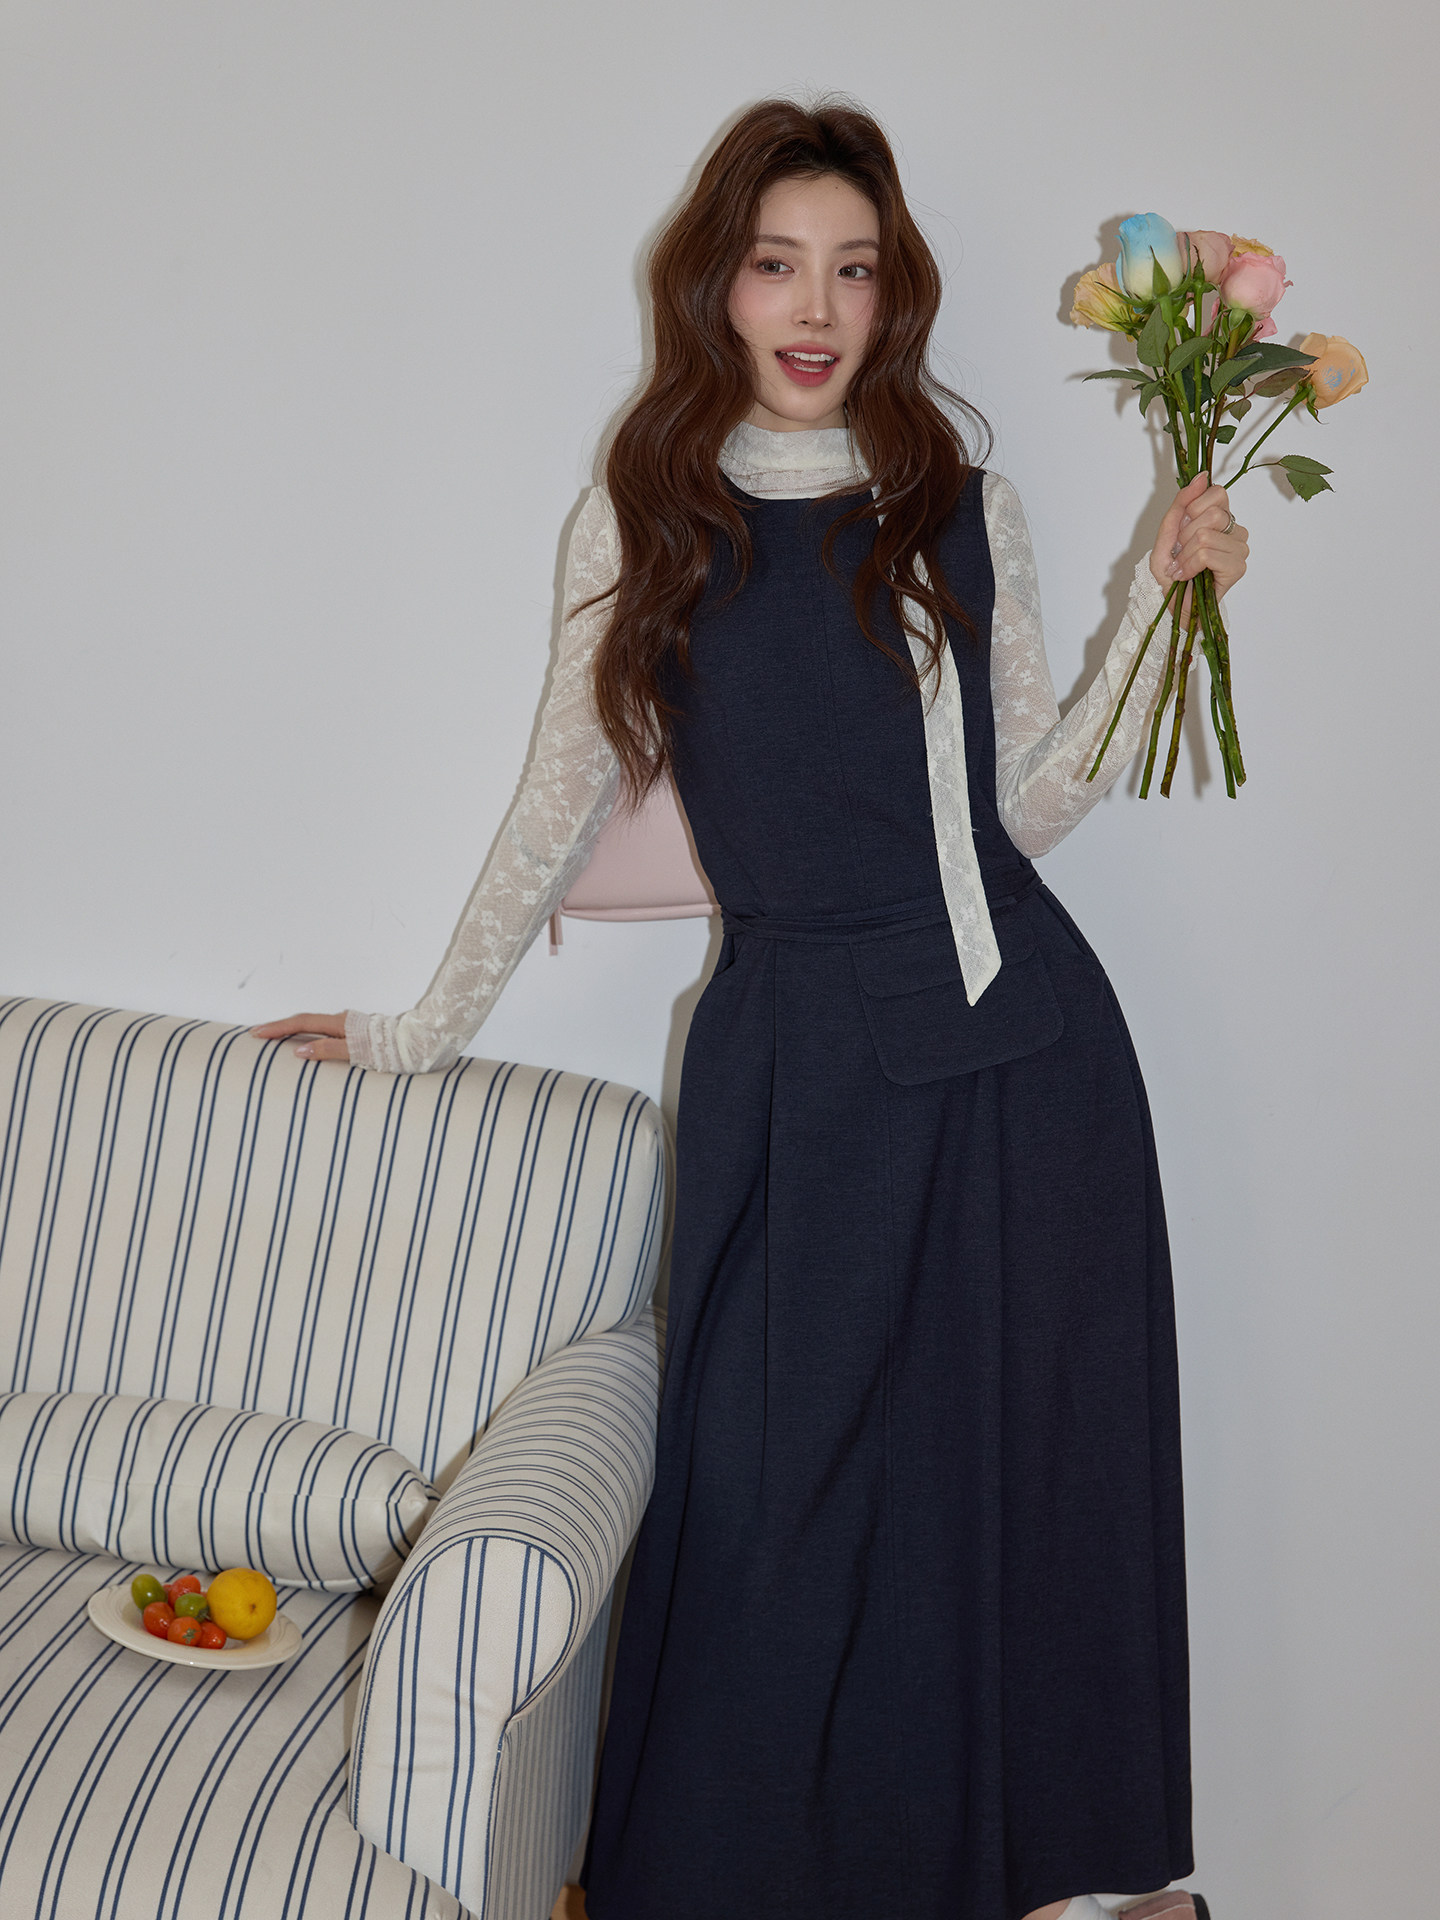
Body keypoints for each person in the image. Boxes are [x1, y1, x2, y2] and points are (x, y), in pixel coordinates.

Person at [256, 98, 1244, 1920]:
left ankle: (1077, 1886)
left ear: (892, 295)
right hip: (792, 1065)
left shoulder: (960, 508)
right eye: (779, 264)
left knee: (1022, 1495)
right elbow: (556, 807)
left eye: (853, 270)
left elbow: (1024, 805)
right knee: (766, 1506)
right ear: (716, 283)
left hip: (1019, 1058)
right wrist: (416, 1031)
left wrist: (1157, 603)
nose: (816, 307)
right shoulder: (646, 519)